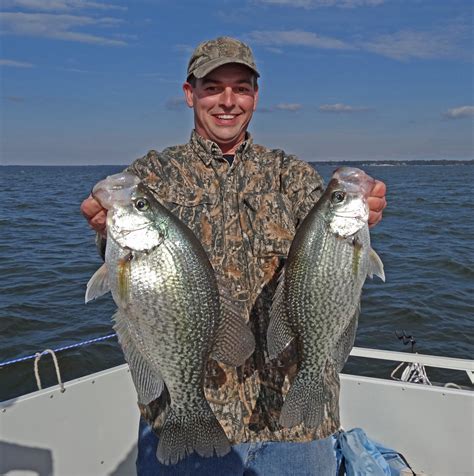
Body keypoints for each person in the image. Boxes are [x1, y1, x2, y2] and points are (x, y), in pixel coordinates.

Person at [81, 36, 387, 476]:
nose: (228, 101)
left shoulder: (292, 174)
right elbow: (127, 275)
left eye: (241, 87)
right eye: (213, 87)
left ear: (255, 97)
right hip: (182, 417)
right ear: (190, 94)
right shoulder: (151, 176)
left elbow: (329, 261)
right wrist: (101, 230)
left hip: (295, 424)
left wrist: (367, 210)